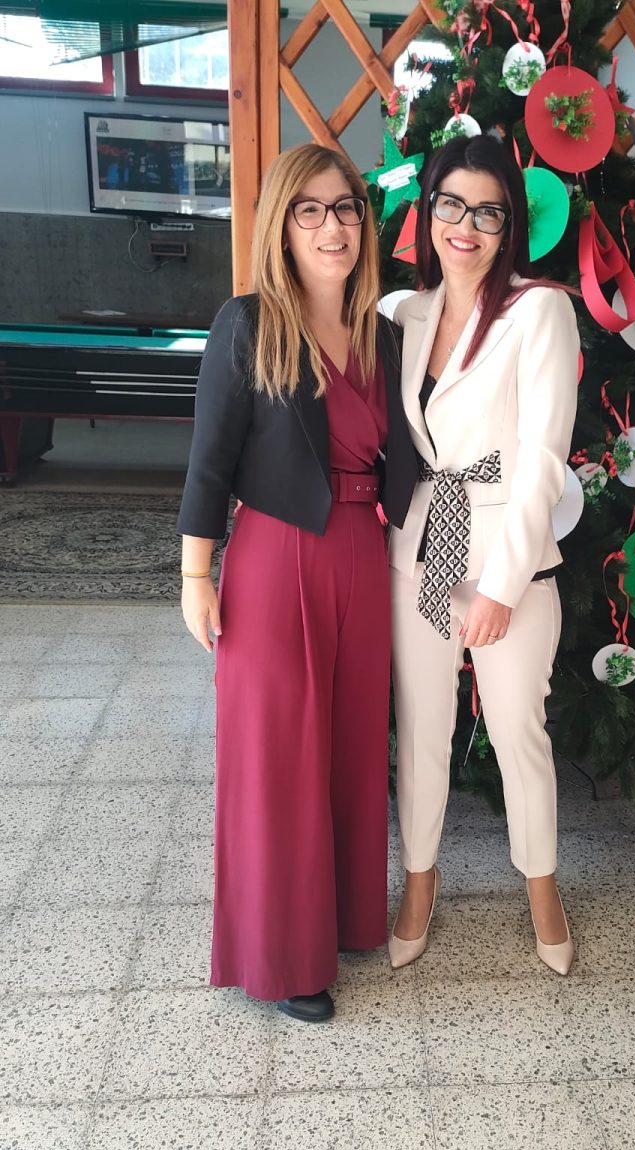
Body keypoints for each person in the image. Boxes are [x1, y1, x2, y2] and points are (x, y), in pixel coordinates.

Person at [177, 144, 417, 1022]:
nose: (331, 226)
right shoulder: (247, 324)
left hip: (362, 554)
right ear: (281, 225)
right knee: (278, 757)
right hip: (276, 559)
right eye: (309, 210)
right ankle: (282, 959)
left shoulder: (386, 335)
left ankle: (346, 919)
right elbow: (209, 460)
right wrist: (195, 572)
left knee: (352, 746)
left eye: (345, 207)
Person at [388, 135, 580, 976]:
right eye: (451, 205)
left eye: (488, 212)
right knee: (422, 728)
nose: (465, 226)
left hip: (509, 559)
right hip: (420, 550)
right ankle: (418, 881)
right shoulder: (404, 313)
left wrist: (500, 586)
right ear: (428, 211)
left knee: (516, 732)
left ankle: (542, 889)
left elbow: (543, 460)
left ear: (510, 226)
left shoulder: (539, 310)